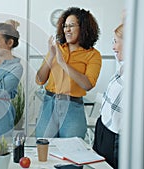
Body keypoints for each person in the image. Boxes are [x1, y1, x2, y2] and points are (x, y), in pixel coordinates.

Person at [35, 7, 102, 138]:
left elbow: (88, 84)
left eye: (71, 25)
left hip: (73, 107)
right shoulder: (57, 49)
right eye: (65, 26)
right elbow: (39, 80)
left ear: (84, 28)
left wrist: (62, 63)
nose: (67, 30)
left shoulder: (93, 55)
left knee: (72, 151)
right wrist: (51, 56)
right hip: (49, 104)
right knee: (43, 148)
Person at [93, 24, 124, 169]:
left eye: (116, 41)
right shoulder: (123, 66)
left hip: (118, 136)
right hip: (104, 128)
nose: (113, 47)